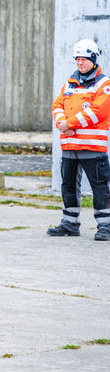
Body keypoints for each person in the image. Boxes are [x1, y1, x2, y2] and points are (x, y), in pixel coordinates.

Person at [48, 39, 110, 241]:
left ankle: (105, 226)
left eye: (84, 59)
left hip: (93, 147)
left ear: (93, 59)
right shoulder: (69, 83)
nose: (80, 63)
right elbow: (57, 106)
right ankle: (70, 223)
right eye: (78, 59)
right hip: (70, 145)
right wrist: (61, 123)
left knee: (99, 186)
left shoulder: (104, 84)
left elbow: (98, 112)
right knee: (68, 185)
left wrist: (70, 124)